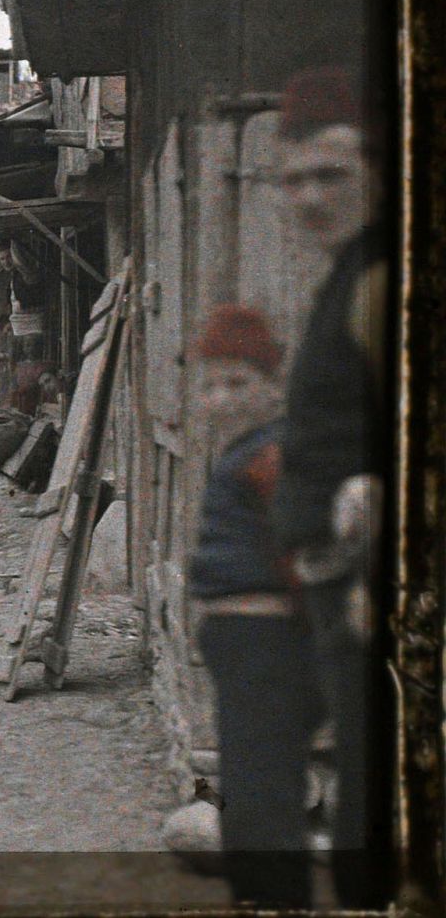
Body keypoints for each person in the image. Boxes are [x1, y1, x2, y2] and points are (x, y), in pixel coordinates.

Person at [269, 66, 390, 908]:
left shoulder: (385, 275)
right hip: (333, 577)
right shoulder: (348, 272)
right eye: (295, 179)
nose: (311, 196)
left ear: (379, 172)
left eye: (332, 175)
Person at [187, 304, 319, 910]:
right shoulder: (245, 450)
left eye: (239, 384)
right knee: (252, 783)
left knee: (261, 792)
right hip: (244, 647)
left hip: (267, 646)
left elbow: (303, 551)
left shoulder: (272, 455)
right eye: (211, 385)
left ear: (273, 388)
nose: (222, 399)